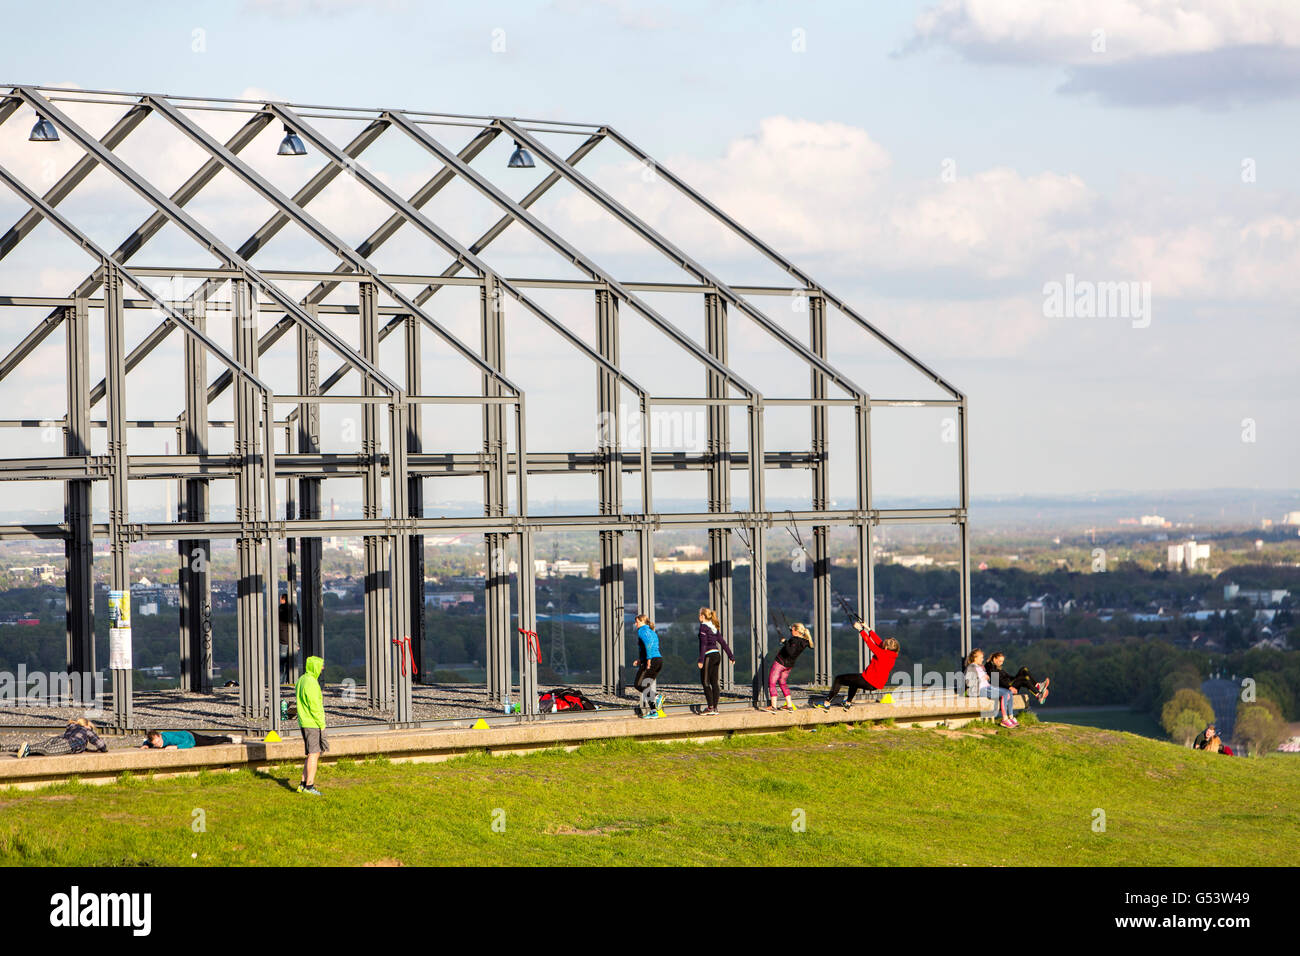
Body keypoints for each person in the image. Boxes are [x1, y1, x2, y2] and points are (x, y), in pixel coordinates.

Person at [820, 622, 899, 709]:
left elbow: (870, 643)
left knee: (839, 679)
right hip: (875, 685)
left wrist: (860, 630)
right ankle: (847, 703)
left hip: (868, 680)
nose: (882, 643)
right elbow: (879, 642)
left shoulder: (882, 653)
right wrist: (868, 628)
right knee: (854, 682)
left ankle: (826, 702)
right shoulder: (892, 655)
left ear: (886, 648)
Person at [295, 655, 328, 795]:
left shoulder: (302, 680)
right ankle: (309, 786)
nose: (322, 668)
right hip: (313, 723)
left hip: (303, 721)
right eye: (321, 665)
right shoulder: (312, 683)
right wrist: (322, 724)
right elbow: (315, 706)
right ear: (315, 666)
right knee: (315, 754)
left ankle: (302, 785)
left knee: (310, 754)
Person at [3, 717, 108, 759]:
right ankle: (28, 749)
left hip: (59, 738)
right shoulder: (86, 730)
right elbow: (100, 744)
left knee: (37, 746)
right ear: (87, 725)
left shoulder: (72, 727)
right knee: (47, 751)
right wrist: (104, 750)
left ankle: (5, 748)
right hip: (69, 745)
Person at [766, 622, 812, 713]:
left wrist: (785, 642)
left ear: (796, 630)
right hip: (789, 666)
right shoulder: (804, 642)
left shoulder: (794, 640)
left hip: (780, 663)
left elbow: (790, 651)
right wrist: (787, 642)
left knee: (772, 682)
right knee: (782, 683)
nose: (791, 631)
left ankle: (773, 706)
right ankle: (789, 705)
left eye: (792, 630)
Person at [964, 648, 1017, 728]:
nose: (982, 659)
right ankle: (1005, 719)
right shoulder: (971, 667)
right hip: (980, 690)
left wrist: (986, 678)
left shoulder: (979, 667)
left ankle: (1011, 716)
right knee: (1005, 693)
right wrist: (982, 678)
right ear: (975, 658)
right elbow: (968, 682)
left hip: (987, 687)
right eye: (981, 658)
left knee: (1009, 692)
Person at [697, 607, 735, 716]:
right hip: (717, 655)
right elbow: (723, 643)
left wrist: (701, 660)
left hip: (708, 655)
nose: (698, 616)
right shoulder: (713, 627)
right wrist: (731, 656)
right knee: (714, 682)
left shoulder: (703, 627)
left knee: (705, 682)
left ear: (703, 616)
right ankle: (715, 708)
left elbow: (703, 644)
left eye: (699, 614)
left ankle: (710, 707)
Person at [631, 613, 665, 719]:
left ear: (642, 621)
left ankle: (656, 697)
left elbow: (648, 644)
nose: (635, 624)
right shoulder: (652, 631)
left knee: (638, 684)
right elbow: (650, 646)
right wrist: (640, 660)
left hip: (651, 661)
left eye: (636, 621)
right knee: (646, 685)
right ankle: (654, 711)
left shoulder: (642, 630)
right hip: (658, 660)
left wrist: (648, 660)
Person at [986, 651, 1050, 704]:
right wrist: (1009, 687)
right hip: (1005, 688)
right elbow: (998, 682)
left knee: (1023, 669)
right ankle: (1038, 695)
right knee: (1023, 679)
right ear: (994, 659)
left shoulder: (996, 668)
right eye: (1000, 661)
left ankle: (1038, 686)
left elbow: (1008, 677)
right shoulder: (991, 668)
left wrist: (1017, 678)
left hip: (1008, 684)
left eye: (1002, 661)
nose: (1001, 663)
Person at [140, 730, 237, 749]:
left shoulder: (171, 739)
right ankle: (220, 736)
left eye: (159, 741)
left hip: (190, 737)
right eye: (155, 744)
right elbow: (148, 742)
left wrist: (176, 747)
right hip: (186, 735)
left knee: (210, 742)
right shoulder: (153, 742)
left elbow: (189, 743)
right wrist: (145, 745)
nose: (158, 744)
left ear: (160, 736)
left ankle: (228, 739)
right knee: (208, 738)